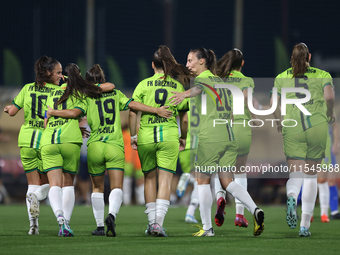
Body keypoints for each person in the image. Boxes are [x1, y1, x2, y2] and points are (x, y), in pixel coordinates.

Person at [47, 63, 173, 237]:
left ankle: (99, 226)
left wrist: (59, 117)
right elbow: (134, 105)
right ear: (102, 79)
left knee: (97, 187)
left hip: (95, 146)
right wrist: (155, 110)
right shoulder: (115, 93)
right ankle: (112, 215)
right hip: (114, 145)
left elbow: (74, 113)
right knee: (116, 187)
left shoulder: (85, 97)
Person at [169, 47, 264, 237]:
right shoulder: (220, 82)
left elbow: (198, 88)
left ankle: (207, 228)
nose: (188, 64)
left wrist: (184, 94)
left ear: (202, 61)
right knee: (227, 182)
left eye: (190, 60)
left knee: (202, 181)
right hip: (228, 136)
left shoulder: (203, 79)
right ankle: (255, 210)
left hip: (210, 137)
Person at [270, 42, 335, 237]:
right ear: (309, 57)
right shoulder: (322, 75)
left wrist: (279, 122)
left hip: (293, 128)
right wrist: (329, 113)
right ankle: (304, 226)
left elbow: (274, 104)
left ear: (291, 58)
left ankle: (291, 196)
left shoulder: (281, 77)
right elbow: (329, 97)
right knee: (311, 177)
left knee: (296, 175)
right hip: (316, 127)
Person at [130, 45, 190, 237]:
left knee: (149, 178)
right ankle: (158, 224)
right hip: (169, 136)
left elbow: (133, 111)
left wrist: (133, 135)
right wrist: (184, 137)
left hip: (146, 135)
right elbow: (185, 118)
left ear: (153, 65)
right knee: (165, 180)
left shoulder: (142, 84)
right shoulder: (178, 87)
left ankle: (150, 224)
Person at [3, 56, 62, 235]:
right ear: (48, 73)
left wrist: (7, 109)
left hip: (27, 139)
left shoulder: (27, 88)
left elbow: (12, 111)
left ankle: (33, 226)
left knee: (32, 184)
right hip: (47, 140)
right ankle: (54, 212)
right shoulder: (57, 91)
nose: (61, 76)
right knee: (55, 183)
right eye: (58, 72)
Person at [213, 48, 261, 228]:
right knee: (240, 171)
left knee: (221, 170)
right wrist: (255, 119)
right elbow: (248, 100)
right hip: (242, 129)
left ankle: (220, 199)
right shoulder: (247, 80)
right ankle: (240, 215)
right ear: (242, 63)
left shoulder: (219, 80)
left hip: (222, 128)